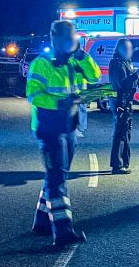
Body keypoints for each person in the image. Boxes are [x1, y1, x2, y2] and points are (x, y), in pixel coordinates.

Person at [26, 20, 101, 246]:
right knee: (57, 177)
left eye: (74, 37)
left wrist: (82, 56)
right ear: (55, 39)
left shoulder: (76, 61)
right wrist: (60, 102)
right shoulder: (42, 64)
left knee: (57, 174)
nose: (71, 41)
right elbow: (33, 95)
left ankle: (41, 223)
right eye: (67, 38)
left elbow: (95, 77)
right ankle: (63, 231)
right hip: (48, 128)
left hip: (69, 127)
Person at [108, 38, 139, 174]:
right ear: (120, 49)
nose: (130, 51)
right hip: (120, 101)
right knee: (121, 133)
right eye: (128, 49)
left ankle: (123, 163)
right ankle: (117, 165)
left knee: (125, 132)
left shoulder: (125, 62)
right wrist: (136, 75)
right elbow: (122, 83)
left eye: (131, 48)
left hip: (126, 100)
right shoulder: (117, 63)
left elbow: (129, 82)